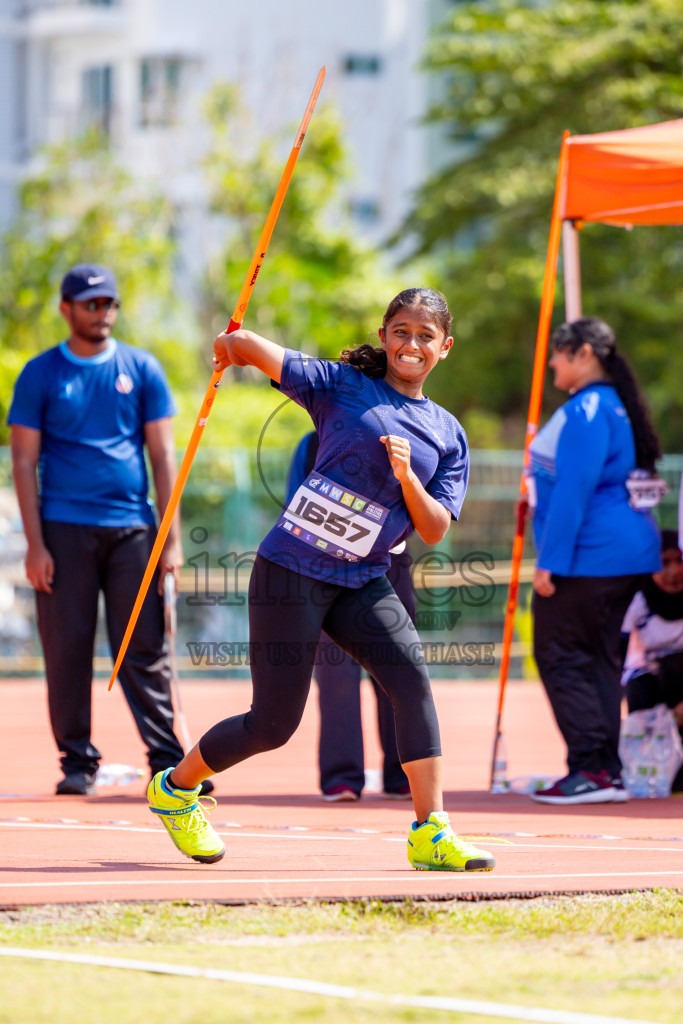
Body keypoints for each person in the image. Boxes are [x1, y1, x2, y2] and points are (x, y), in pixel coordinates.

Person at [146, 286, 496, 872]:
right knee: (273, 724)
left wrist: (408, 478)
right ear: (384, 337)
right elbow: (257, 348)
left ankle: (430, 832)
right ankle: (177, 790)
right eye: (401, 331)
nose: (412, 344)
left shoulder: (447, 433)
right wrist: (232, 345)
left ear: (445, 348)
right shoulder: (341, 386)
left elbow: (433, 529)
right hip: (292, 571)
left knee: (411, 682)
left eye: (425, 336)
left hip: (363, 579)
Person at [7, 263, 205, 797]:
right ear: (65, 308)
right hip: (63, 532)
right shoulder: (40, 373)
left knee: (143, 647)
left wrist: (171, 538)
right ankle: (77, 762)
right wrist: (35, 545)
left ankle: (169, 764)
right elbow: (23, 463)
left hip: (133, 530)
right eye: (91, 304)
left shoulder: (142, 368)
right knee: (67, 649)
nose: (102, 313)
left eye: (109, 304)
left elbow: (163, 454)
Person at [528, 317, 661, 805]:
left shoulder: (586, 408)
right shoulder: (614, 404)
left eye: (558, 355)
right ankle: (607, 770)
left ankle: (591, 767)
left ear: (583, 353)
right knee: (601, 660)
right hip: (625, 552)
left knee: (560, 654)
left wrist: (551, 562)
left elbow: (574, 489)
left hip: (592, 556)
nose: (552, 364)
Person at [287, 431, 411, 802]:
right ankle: (342, 776)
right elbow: (293, 507)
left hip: (390, 564)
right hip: (326, 567)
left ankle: (402, 773)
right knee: (336, 675)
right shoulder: (310, 445)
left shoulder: (403, 439)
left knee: (398, 670)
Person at [621, 529, 683, 792]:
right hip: (654, 678)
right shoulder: (639, 600)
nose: (673, 572)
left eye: (679, 561)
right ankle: (646, 770)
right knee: (639, 684)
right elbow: (616, 649)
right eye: (663, 563)